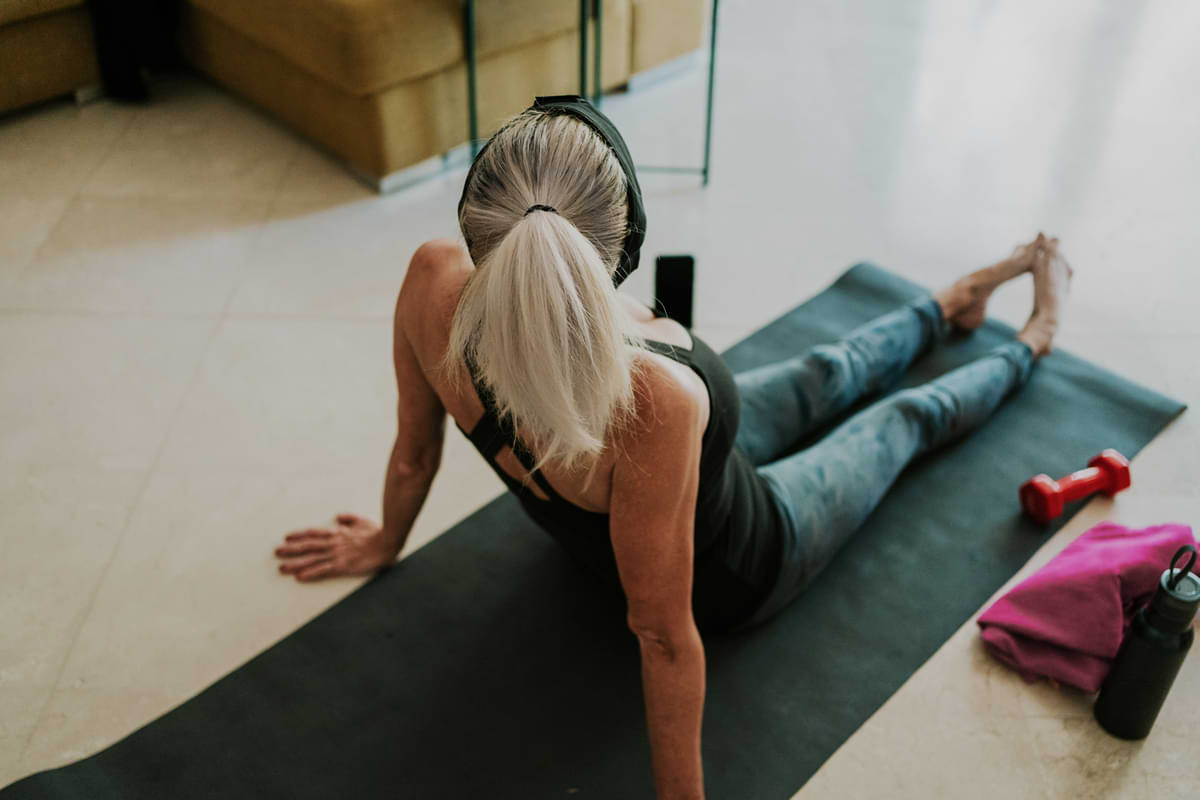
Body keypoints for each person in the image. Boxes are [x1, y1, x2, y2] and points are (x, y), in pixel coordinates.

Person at [272, 99, 1072, 800]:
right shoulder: (657, 397)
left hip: (682, 455)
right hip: (742, 553)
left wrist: (385, 541)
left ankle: (952, 303)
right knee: (903, 420)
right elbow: (661, 633)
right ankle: (1033, 339)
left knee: (835, 368)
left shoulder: (430, 279)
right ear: (621, 245)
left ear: (478, 229)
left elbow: (414, 453)